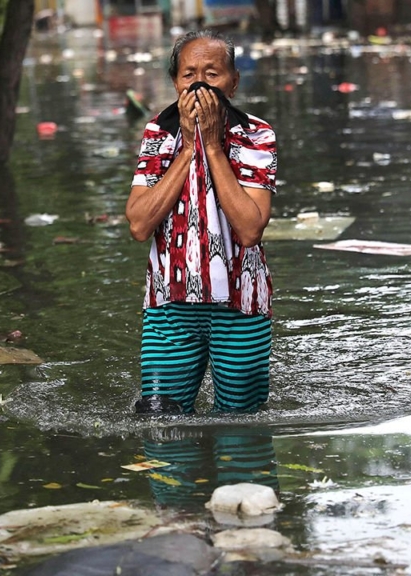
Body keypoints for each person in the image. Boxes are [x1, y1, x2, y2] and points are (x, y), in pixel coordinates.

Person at [125, 30, 277, 415]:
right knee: (159, 421)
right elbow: (139, 225)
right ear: (175, 82)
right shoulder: (158, 134)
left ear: (234, 82)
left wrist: (211, 145)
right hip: (169, 305)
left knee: (239, 426)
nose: (198, 85)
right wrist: (189, 148)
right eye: (189, 74)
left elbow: (249, 229)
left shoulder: (255, 136)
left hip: (241, 305)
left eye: (212, 75)